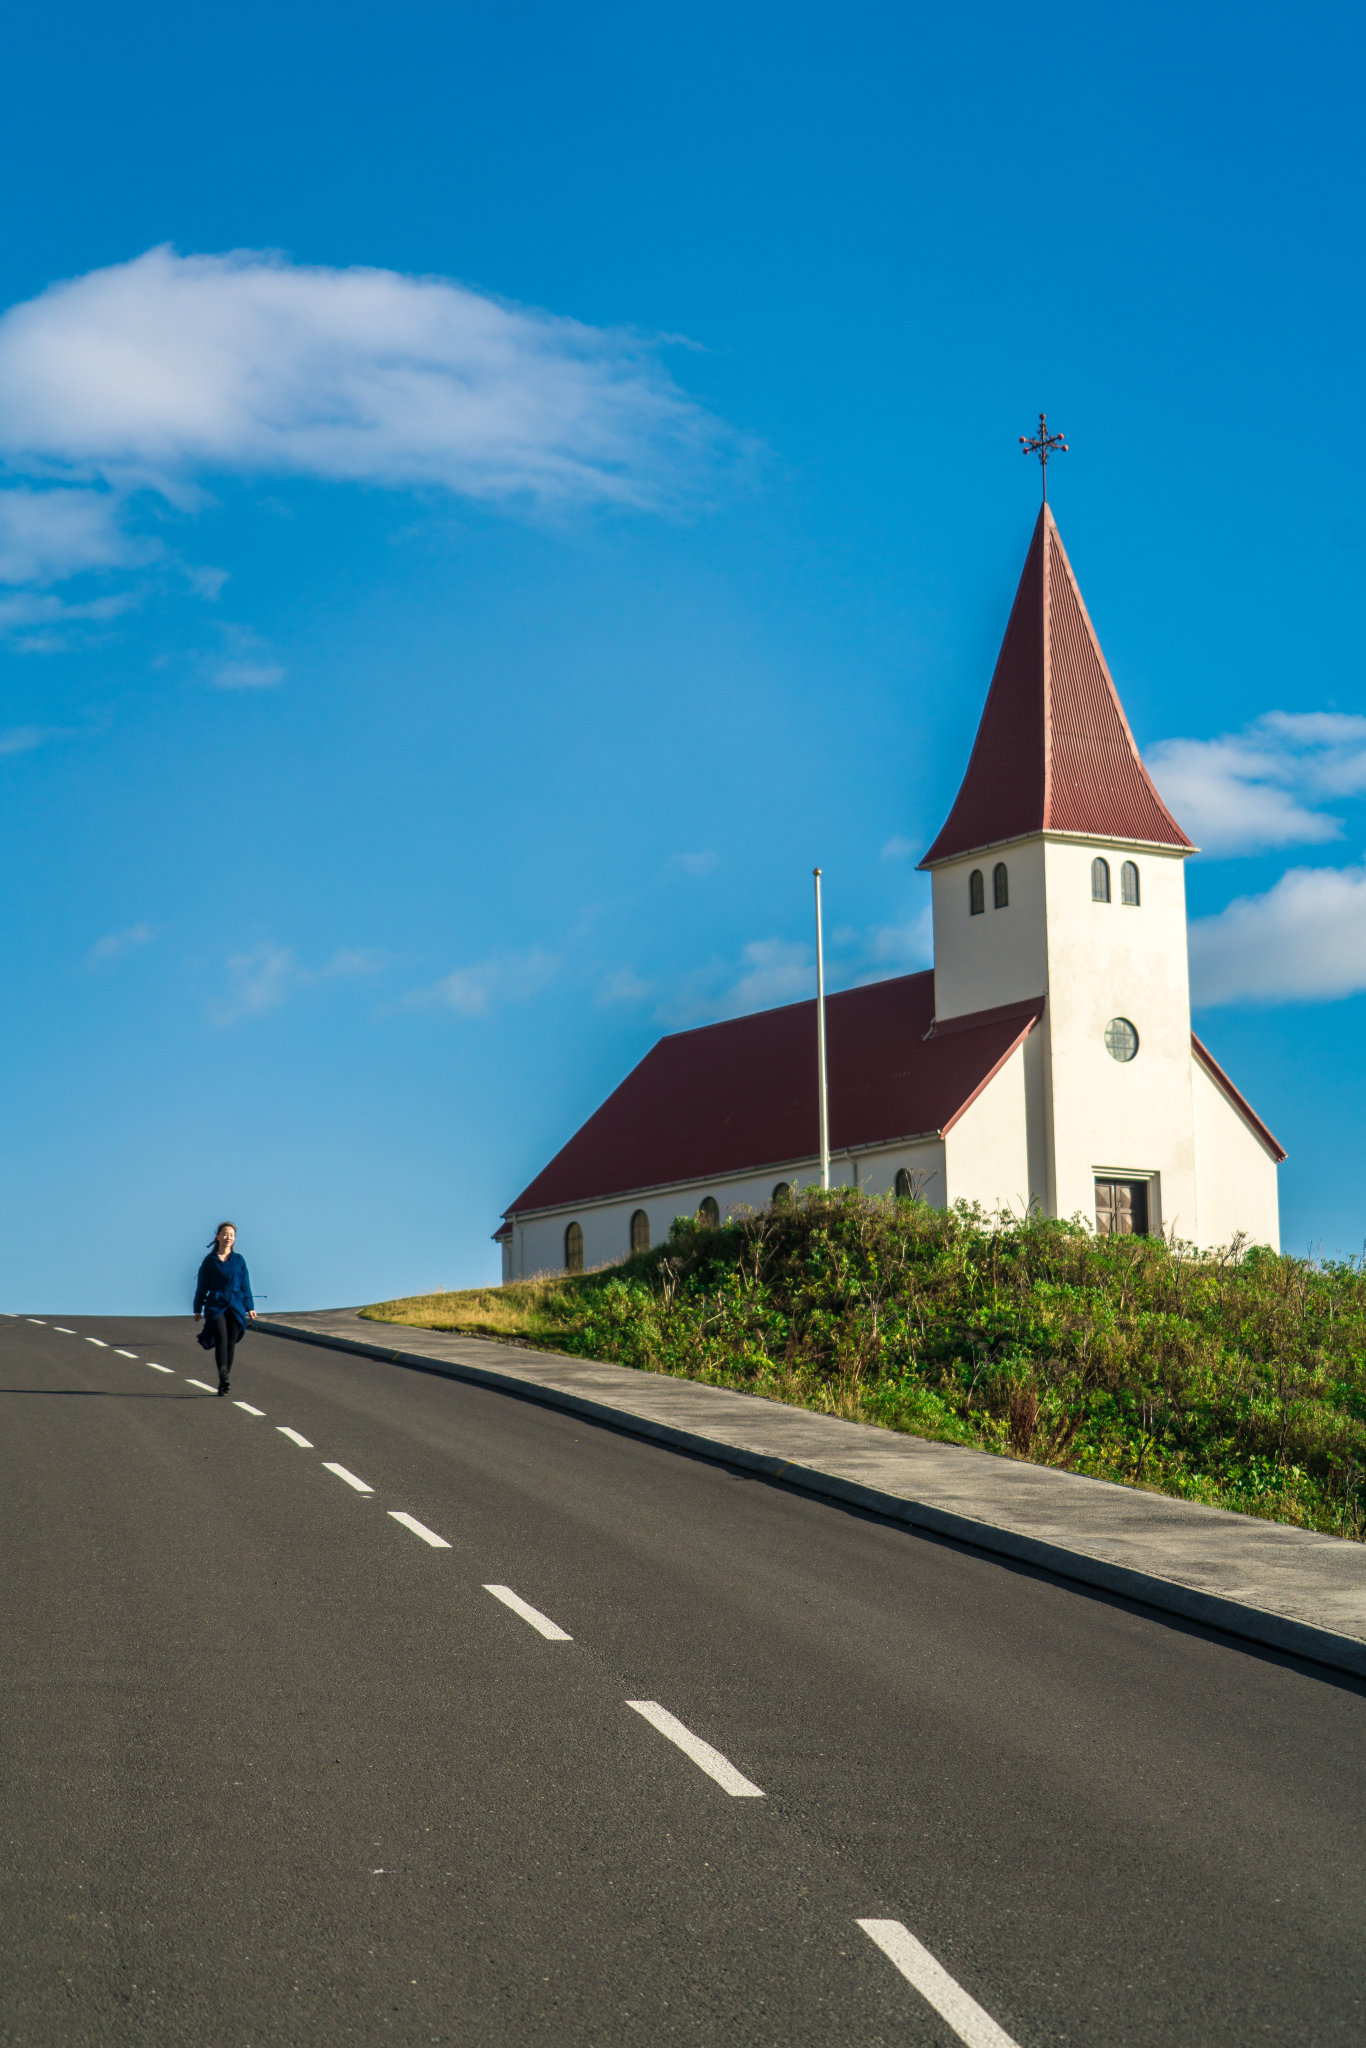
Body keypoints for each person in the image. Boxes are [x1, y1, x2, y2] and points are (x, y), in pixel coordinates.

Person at [193, 1222, 256, 1395]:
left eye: (232, 1235)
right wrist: (197, 1308)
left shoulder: (239, 1260)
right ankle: (223, 1376)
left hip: (236, 1303)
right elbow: (202, 1285)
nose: (229, 1237)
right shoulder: (210, 1261)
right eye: (225, 1234)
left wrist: (250, 1306)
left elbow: (245, 1284)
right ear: (218, 1236)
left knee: (231, 1341)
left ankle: (226, 1377)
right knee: (221, 1337)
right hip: (216, 1303)